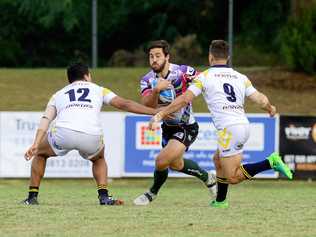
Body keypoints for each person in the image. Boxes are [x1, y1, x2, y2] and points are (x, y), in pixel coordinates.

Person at [149, 39, 293, 208]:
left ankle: (271, 162)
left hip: (229, 129)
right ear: (228, 57)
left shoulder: (204, 77)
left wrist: (161, 114)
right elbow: (259, 98)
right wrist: (270, 108)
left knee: (232, 176)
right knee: (217, 159)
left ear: (210, 57)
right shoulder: (241, 77)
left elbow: (184, 99)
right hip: (242, 126)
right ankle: (220, 200)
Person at [22, 62, 159, 205]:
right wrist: (155, 111)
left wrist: (36, 144)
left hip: (63, 133)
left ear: (70, 80)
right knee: (98, 159)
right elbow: (124, 104)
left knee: (40, 154)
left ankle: (32, 197)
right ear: (87, 76)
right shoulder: (99, 90)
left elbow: (46, 119)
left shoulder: (58, 94)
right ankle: (104, 197)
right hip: (91, 135)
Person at [133, 40, 216, 206]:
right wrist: (157, 89)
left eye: (158, 56)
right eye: (151, 56)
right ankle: (209, 178)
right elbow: (147, 104)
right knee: (177, 164)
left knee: (161, 160)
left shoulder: (183, 72)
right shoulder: (147, 80)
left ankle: (151, 193)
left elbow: (206, 81)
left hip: (186, 126)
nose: (154, 60)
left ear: (167, 57)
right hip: (167, 128)